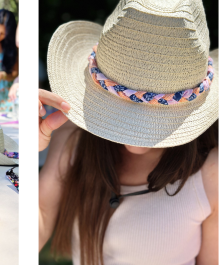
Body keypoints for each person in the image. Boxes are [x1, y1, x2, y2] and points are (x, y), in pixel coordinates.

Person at [39, 1, 217, 264]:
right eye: (126, 106)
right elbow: (40, 214)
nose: (136, 130)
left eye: (155, 112)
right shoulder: (73, 138)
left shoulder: (210, 172)